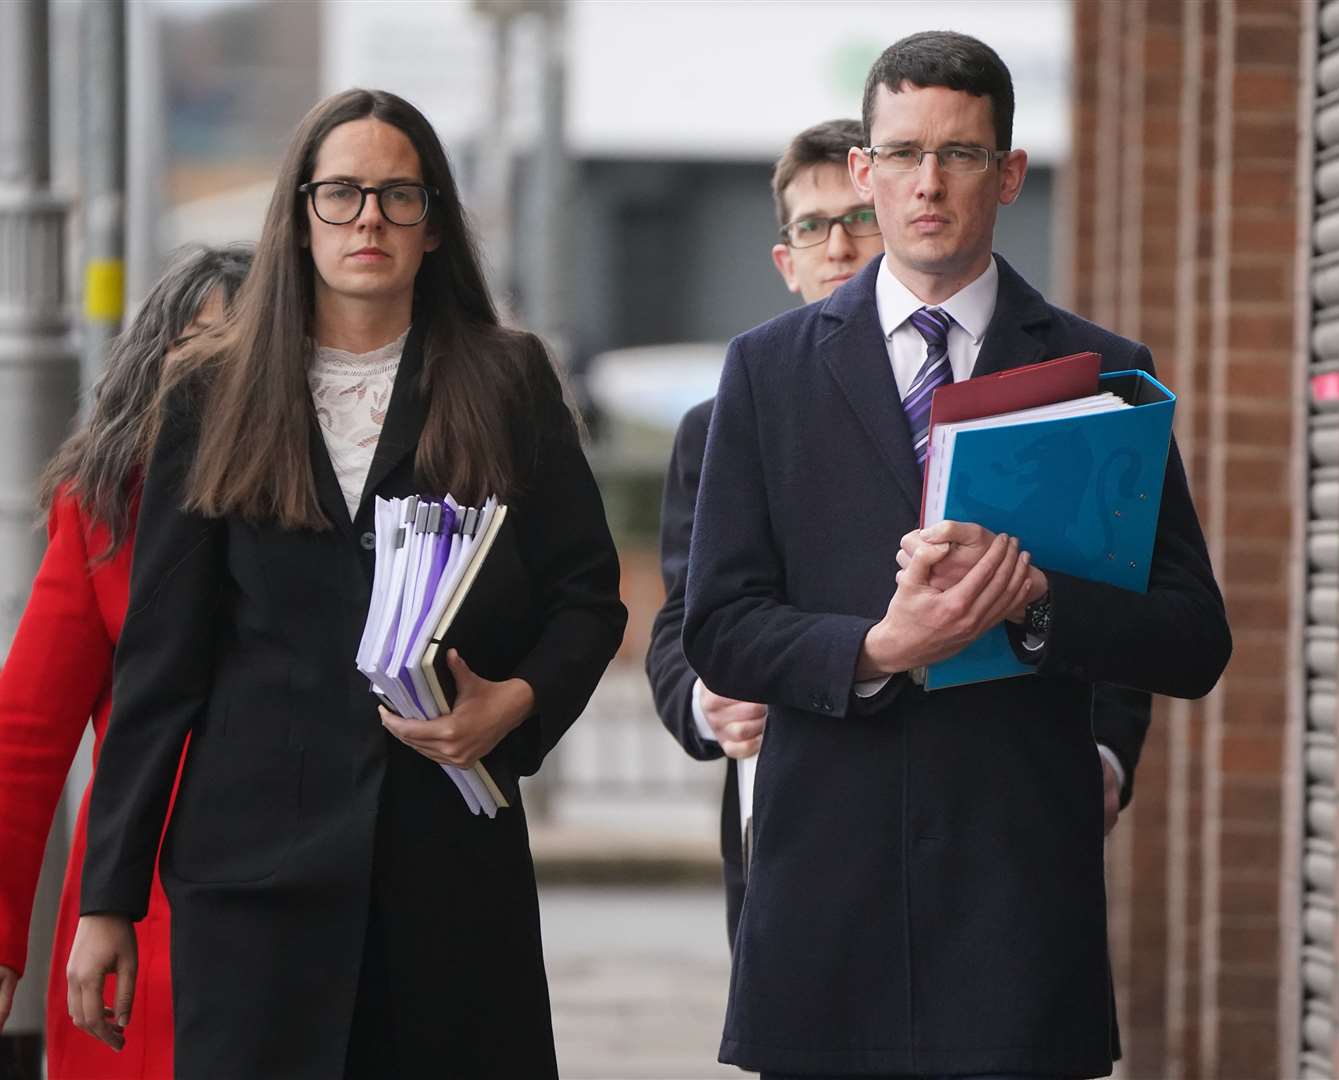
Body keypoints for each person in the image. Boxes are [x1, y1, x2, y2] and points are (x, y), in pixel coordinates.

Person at [682, 31, 1231, 1080]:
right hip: (825, 900)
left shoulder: (1101, 372)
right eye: (902, 153)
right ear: (865, 170)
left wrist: (1033, 603)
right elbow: (718, 626)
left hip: (1015, 899)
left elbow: (1193, 637)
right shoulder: (767, 372)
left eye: (962, 154)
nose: (927, 183)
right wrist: (878, 645)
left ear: (1010, 174)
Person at [66, 89, 626, 1079]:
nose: (368, 217)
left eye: (398, 195)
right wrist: (106, 902)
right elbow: (161, 665)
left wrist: (515, 704)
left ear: (435, 225)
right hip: (252, 883)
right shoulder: (208, 390)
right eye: (341, 194)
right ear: (298, 217)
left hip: (448, 873)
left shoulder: (508, 380)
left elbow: (587, 595)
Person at [647, 119, 1152, 950]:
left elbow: (1105, 582)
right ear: (786, 260)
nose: (839, 244)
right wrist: (706, 704)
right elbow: (687, 619)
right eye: (813, 226)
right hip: (797, 810)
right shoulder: (727, 417)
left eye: (857, 218)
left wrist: (1106, 752)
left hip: (994, 822)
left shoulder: (1027, 381)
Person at [0, 245, 252, 1080]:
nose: (223, 375)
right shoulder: (104, 510)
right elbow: (22, 741)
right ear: (154, 363)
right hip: (137, 898)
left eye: (248, 350)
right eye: (201, 348)